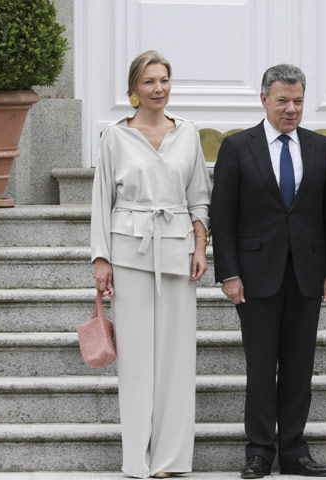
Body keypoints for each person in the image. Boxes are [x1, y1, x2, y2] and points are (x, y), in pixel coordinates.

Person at [210, 64, 326, 479]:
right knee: (261, 366)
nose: (291, 109)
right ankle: (258, 452)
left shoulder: (320, 147)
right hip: (255, 277)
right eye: (283, 100)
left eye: (298, 101)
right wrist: (228, 274)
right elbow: (223, 217)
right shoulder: (237, 147)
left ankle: (294, 451)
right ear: (264, 99)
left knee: (299, 368)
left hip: (306, 274)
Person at [90, 50, 211, 478]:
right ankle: (136, 460)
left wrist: (200, 246)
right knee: (137, 360)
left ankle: (171, 459)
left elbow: (199, 197)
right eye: (149, 82)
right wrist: (101, 259)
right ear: (133, 90)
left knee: (177, 359)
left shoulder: (189, 134)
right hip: (130, 253)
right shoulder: (113, 137)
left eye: (163, 80)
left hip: (179, 251)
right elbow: (101, 201)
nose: (158, 89)